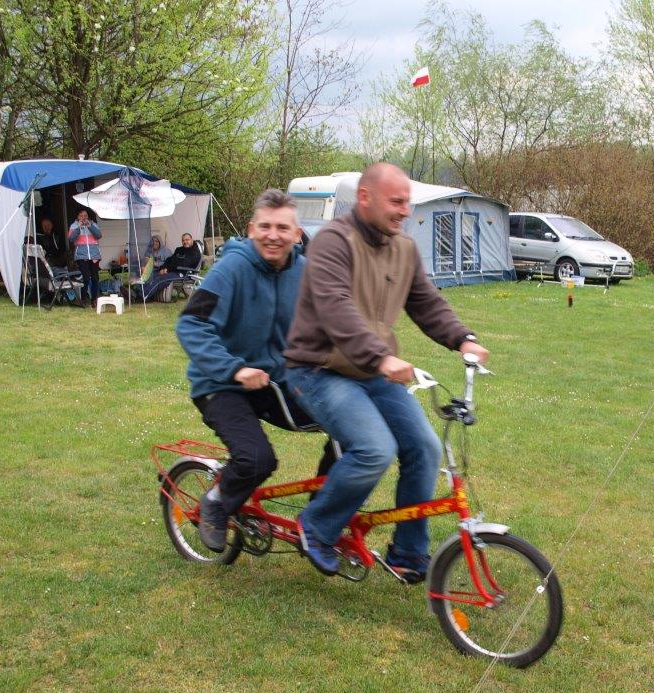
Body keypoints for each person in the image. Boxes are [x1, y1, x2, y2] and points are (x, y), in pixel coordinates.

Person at [283, 163, 488, 580]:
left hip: (370, 372)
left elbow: (426, 302)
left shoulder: (404, 248)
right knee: (375, 449)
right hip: (318, 369)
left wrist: (462, 338)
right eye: (396, 202)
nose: (405, 211)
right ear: (365, 198)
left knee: (424, 447)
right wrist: (381, 357)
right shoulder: (333, 243)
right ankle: (316, 526)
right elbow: (336, 309)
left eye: (407, 202)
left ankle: (408, 552)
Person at [176, 190, 335, 552]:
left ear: (297, 234)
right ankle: (216, 504)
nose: (273, 235)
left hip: (276, 383)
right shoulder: (231, 269)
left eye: (283, 228)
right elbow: (191, 324)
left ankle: (319, 520)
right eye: (265, 227)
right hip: (221, 385)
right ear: (251, 230)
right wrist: (234, 369)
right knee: (257, 459)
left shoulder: (304, 273)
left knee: (351, 432)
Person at [68, 209, 102, 308]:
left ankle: (94, 299)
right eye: (81, 215)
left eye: (85, 215)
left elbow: (99, 235)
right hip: (81, 255)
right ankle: (83, 298)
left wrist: (89, 226)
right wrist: (78, 227)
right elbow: (71, 238)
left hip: (94, 255)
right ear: (78, 217)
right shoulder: (74, 226)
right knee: (86, 277)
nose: (83, 218)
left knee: (95, 278)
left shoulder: (93, 224)